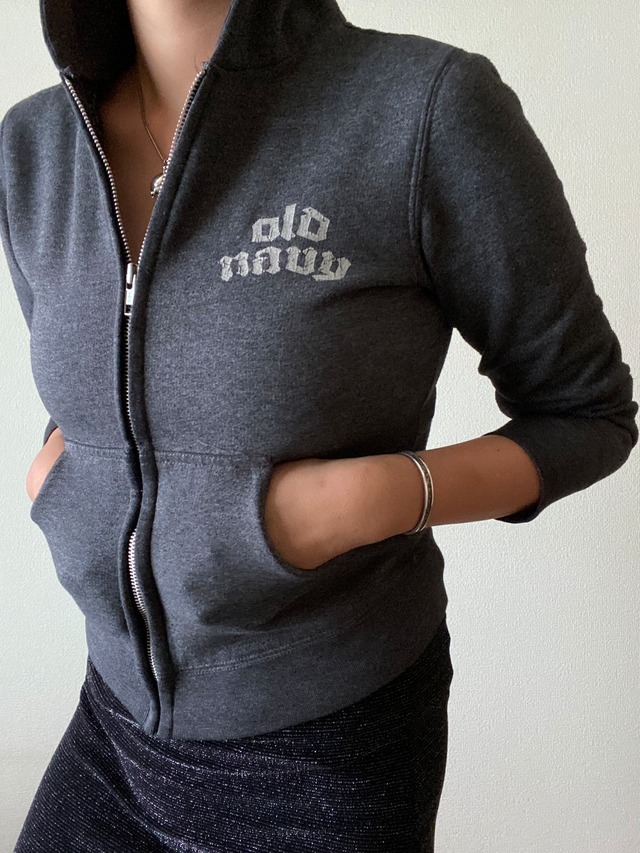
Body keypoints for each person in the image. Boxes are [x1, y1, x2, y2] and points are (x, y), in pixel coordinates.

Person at [2, 0, 637, 850]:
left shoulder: (423, 107)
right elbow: (116, 372)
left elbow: (587, 410)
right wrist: (59, 471)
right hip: (112, 727)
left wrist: (366, 499)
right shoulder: (31, 147)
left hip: (328, 751)